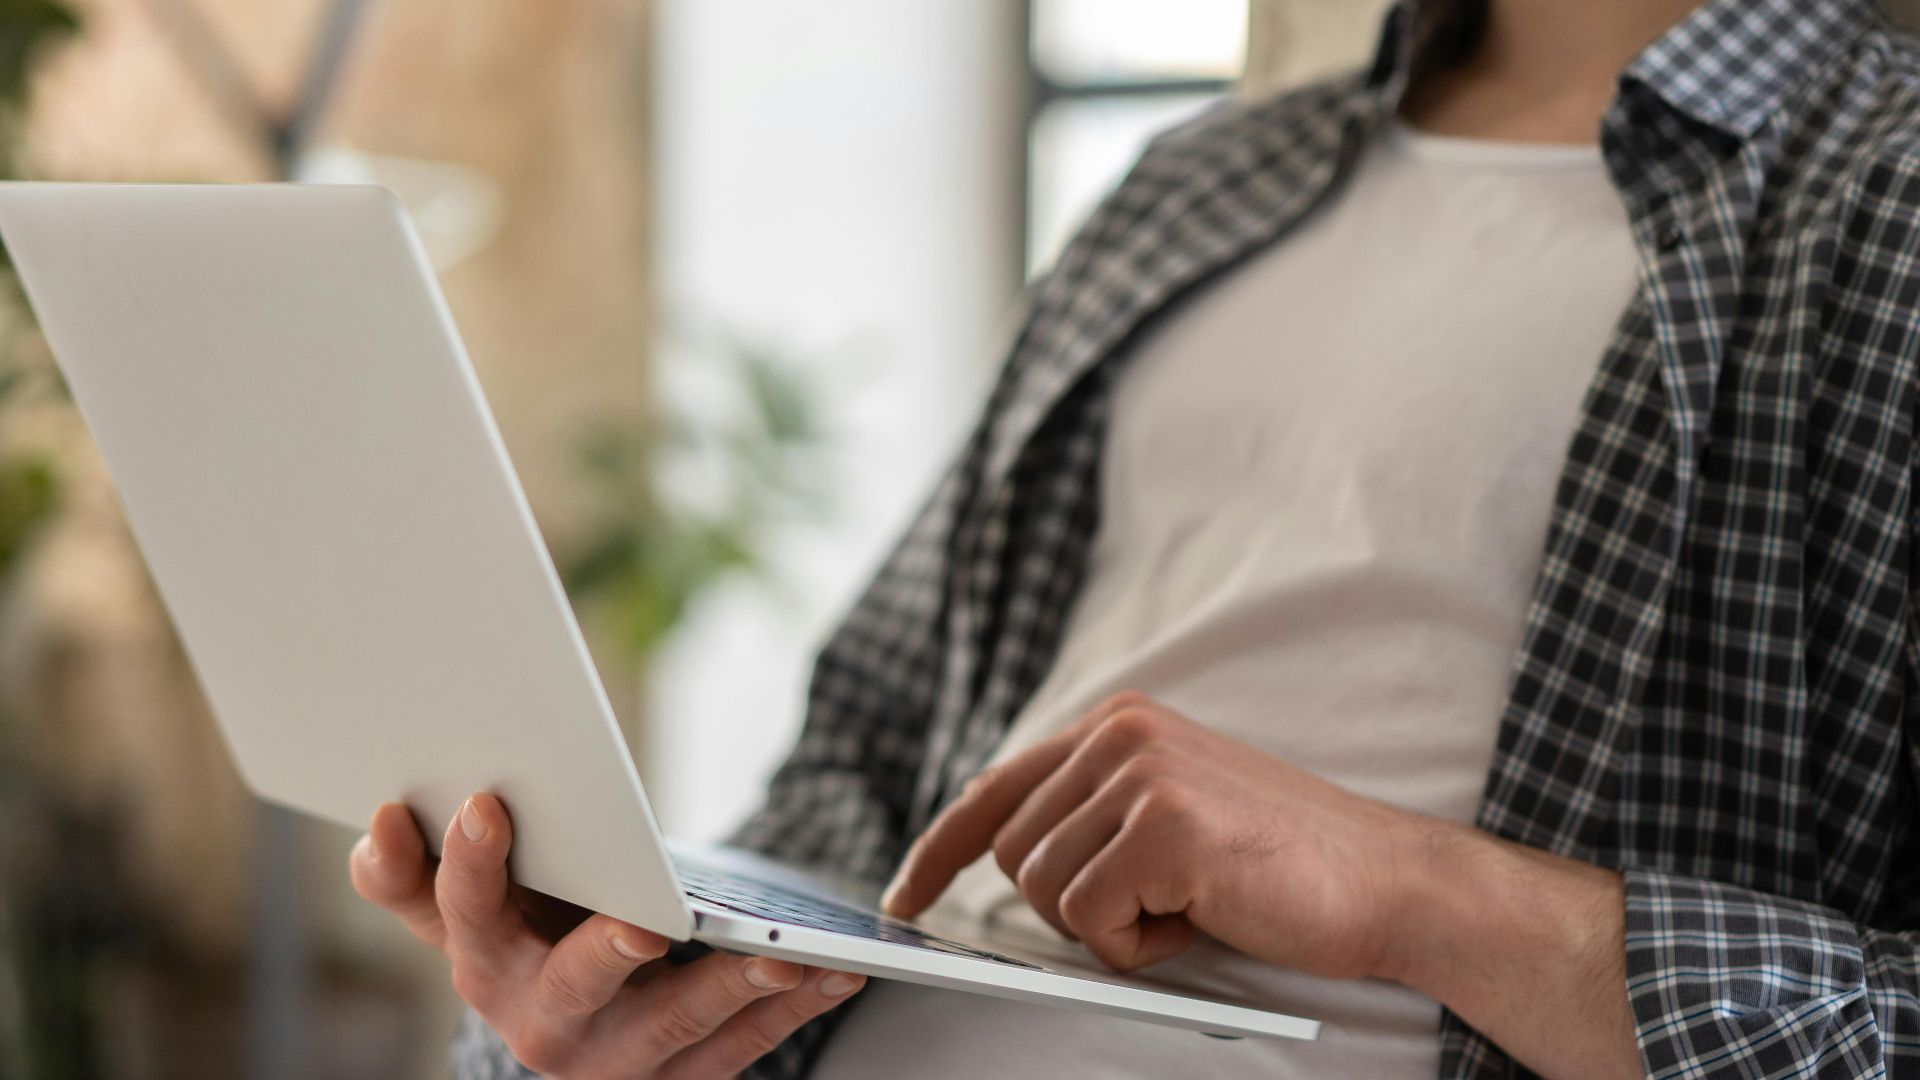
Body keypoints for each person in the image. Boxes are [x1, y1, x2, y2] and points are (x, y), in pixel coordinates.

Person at [350, 0, 1920, 1076]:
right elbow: (857, 771)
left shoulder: (1883, 202)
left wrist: (1418, 895)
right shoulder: (1196, 182)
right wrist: (624, 997)